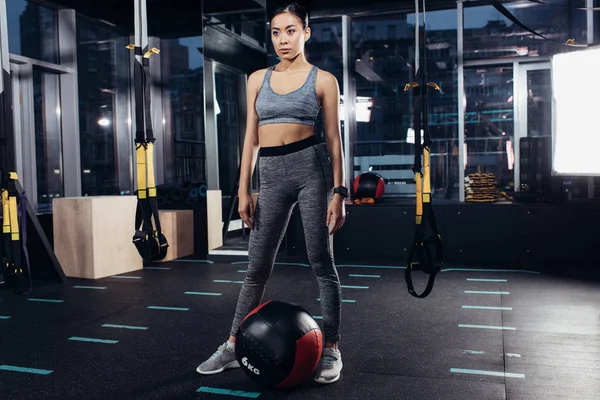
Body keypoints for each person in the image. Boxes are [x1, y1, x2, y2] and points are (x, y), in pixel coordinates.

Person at [196, 2, 347, 385]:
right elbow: (250, 137)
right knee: (256, 266)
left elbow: (333, 139)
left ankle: (331, 347)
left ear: (306, 32)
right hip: (271, 173)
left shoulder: (323, 80)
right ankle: (232, 344)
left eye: (291, 30)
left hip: (311, 169)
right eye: (276, 32)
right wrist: (244, 187)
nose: (283, 39)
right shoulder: (257, 78)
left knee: (321, 262)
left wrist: (339, 192)